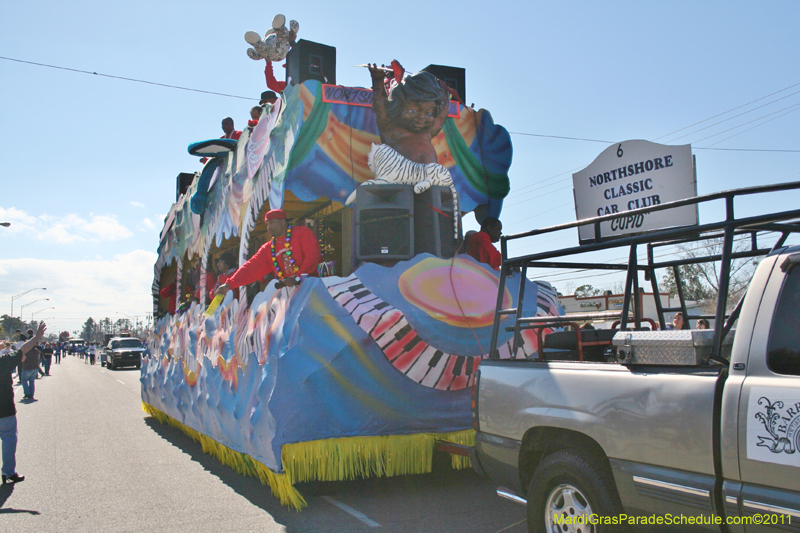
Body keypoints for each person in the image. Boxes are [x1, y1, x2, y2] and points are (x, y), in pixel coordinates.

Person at [215, 209, 321, 296]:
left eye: (272, 223)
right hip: (291, 294)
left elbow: (312, 256)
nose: (269, 227)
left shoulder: (302, 232)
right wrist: (228, 284)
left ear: (283, 222)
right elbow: (250, 268)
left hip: (314, 289)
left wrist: (297, 277)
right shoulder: (268, 248)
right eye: (267, 224)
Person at [368, 63, 450, 165]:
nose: (421, 117)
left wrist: (444, 94)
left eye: (428, 113)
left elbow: (442, 115)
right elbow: (380, 105)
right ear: (397, 108)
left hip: (428, 177)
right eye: (412, 111)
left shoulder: (427, 130)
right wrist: (377, 81)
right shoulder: (391, 128)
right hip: (400, 178)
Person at [2, 322, 46, 484]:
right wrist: (37, 337)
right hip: (4, 409)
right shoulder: (4, 360)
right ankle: (7, 472)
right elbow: (23, 351)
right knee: (8, 439)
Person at [20, 330, 40, 400]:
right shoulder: (37, 351)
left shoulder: (26, 350)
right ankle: (31, 395)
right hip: (35, 368)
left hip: (27, 367)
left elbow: (23, 359)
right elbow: (38, 359)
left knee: (24, 380)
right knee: (32, 381)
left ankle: (27, 393)